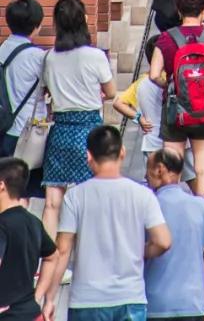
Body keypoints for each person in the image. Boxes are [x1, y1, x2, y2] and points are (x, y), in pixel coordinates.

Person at [45, 124, 170, 316]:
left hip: (87, 300)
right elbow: (163, 241)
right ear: (122, 152)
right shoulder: (143, 195)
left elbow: (62, 250)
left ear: (88, 156)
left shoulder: (76, 196)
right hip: (130, 297)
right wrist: (140, 251)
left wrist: (50, 298)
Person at [40, 0, 116, 238]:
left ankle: (48, 256)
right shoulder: (94, 56)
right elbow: (111, 92)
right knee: (90, 196)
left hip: (61, 130)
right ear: (83, 20)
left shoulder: (49, 58)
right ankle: (86, 252)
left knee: (53, 199)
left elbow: (46, 91)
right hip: (89, 131)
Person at [146, 0, 204, 196]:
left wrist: (170, 85)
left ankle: (172, 209)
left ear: (179, 10)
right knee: (203, 167)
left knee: (173, 165)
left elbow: (154, 74)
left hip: (175, 110)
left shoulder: (167, 38)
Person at [144, 146, 204, 321]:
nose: (145, 176)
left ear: (160, 170)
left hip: (154, 304)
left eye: (148, 170)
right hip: (193, 304)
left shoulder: (146, 207)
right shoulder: (202, 206)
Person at [0, 156, 57, 321]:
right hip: (31, 313)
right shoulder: (33, 222)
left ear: (1, 186)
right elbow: (52, 257)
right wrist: (37, 296)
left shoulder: (2, 225)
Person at [0, 0, 46, 160]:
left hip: (3, 128)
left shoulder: (2, 49)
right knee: (29, 181)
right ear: (36, 26)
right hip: (28, 131)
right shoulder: (38, 57)